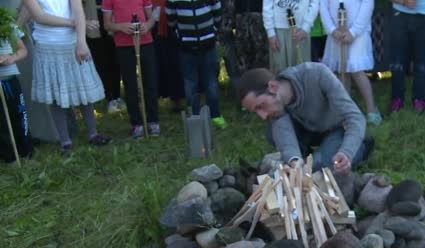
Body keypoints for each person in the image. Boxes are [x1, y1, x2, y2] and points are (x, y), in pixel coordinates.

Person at [236, 62, 374, 174]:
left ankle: (359, 146)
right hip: (309, 130)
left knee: (322, 164)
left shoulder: (317, 74)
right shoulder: (277, 104)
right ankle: (310, 158)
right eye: (256, 111)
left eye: (261, 106)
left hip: (336, 129)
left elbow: (355, 116)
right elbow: (284, 133)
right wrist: (294, 161)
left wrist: (347, 152)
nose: (263, 115)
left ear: (272, 87)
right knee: (272, 131)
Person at [23, 0, 112, 154]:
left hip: (72, 42)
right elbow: (40, 17)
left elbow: (78, 11)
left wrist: (81, 42)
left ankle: (93, 134)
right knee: (56, 96)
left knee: (82, 90)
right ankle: (65, 142)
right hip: (47, 45)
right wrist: (75, 23)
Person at [102, 0, 160, 138]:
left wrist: (147, 25)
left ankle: (153, 120)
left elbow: (151, 18)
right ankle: (136, 123)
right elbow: (107, 24)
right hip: (123, 44)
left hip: (145, 41)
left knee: (150, 81)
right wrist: (121, 27)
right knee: (130, 84)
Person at [165, 0, 226, 129]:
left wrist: (213, 30)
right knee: (190, 84)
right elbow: (171, 19)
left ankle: (215, 115)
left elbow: (218, 13)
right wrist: (179, 35)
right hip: (186, 47)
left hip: (208, 45)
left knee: (211, 83)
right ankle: (195, 117)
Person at [320, 0, 382, 126]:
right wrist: (332, 30)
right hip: (336, 33)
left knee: (356, 71)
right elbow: (323, 7)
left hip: (357, 33)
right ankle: (347, 110)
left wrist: (353, 32)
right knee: (342, 71)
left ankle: (371, 110)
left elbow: (367, 5)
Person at [388, 0, 425, 114]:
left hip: (424, 14)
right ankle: (397, 98)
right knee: (397, 62)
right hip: (399, 14)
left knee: (421, 62)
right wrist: (404, 2)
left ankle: (419, 99)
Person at [83, 0, 126, 114]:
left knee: (115, 61)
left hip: (112, 19)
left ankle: (118, 96)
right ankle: (109, 98)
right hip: (93, 21)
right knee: (101, 62)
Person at [0, 21, 33, 162]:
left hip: (10, 78)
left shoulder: (6, 24)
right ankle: (9, 157)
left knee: (19, 115)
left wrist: (11, 58)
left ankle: (26, 152)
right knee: (1, 121)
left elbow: (22, 49)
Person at [263, 0, 319, 72]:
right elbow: (267, 6)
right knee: (280, 72)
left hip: (301, 30)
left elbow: (315, 3)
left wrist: (306, 27)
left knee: (301, 71)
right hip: (278, 31)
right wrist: (270, 32)